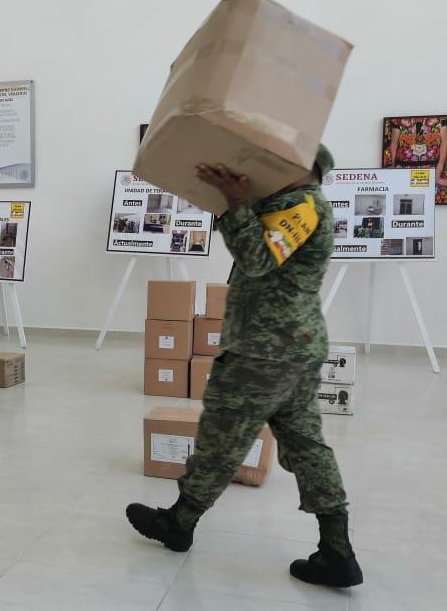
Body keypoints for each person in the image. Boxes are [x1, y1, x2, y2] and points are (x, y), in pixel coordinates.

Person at [126, 145, 362, 588]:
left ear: (301, 168)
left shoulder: (303, 205)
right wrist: (227, 203)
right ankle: (337, 550)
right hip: (293, 349)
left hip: (264, 351)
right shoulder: (288, 204)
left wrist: (234, 204)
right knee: (307, 445)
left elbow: (256, 259)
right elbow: (256, 242)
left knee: (221, 440)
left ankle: (180, 523)